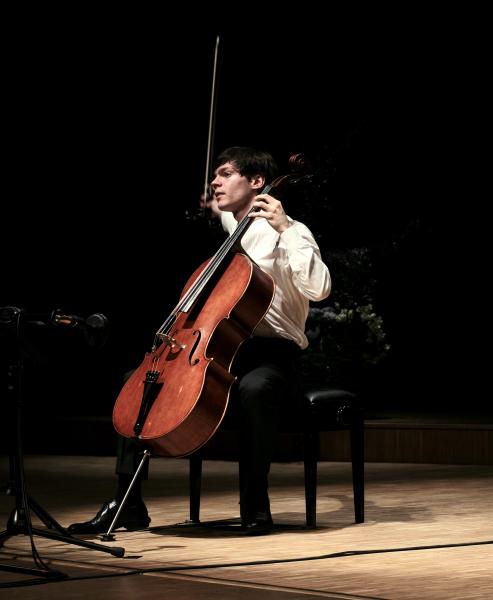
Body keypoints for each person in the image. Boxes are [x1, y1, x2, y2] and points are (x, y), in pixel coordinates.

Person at [68, 146, 332, 535]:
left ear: (257, 183)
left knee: (256, 389)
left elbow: (320, 288)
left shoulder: (291, 231)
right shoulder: (235, 226)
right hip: (222, 349)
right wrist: (214, 207)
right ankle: (127, 504)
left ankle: (255, 504)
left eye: (225, 174)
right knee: (138, 381)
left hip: (271, 355)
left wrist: (286, 229)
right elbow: (226, 214)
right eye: (214, 175)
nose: (215, 181)